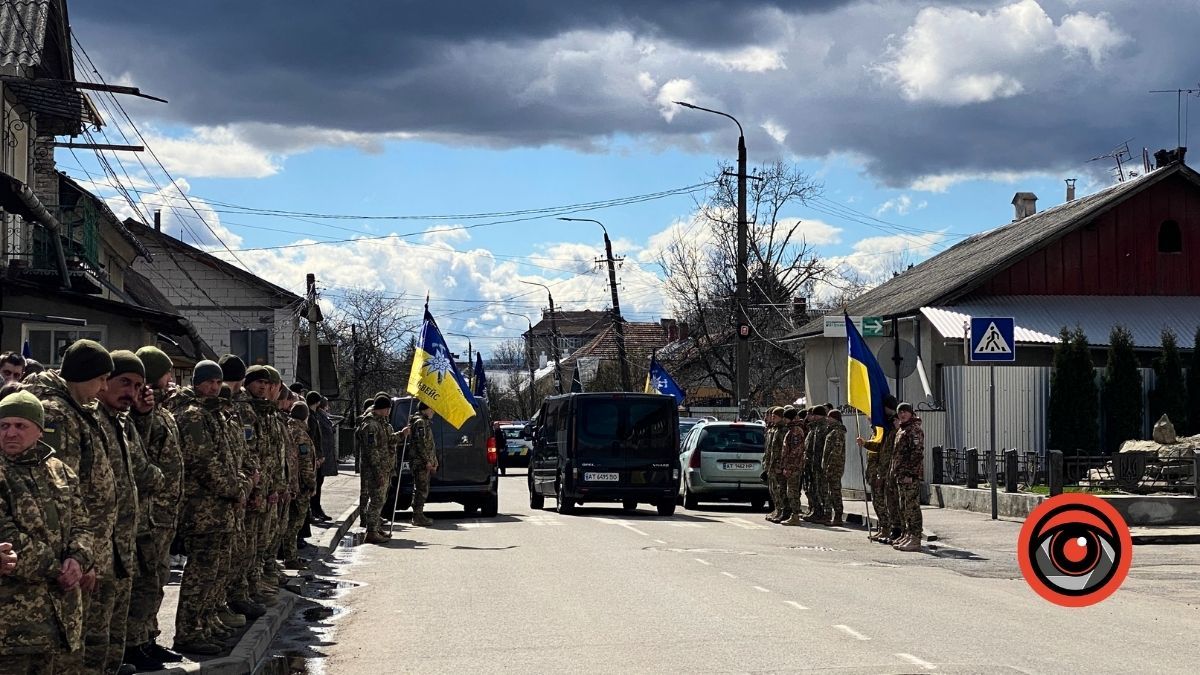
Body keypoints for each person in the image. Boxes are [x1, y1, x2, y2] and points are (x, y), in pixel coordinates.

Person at [24, 339, 116, 672]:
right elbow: (62, 495)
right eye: (100, 379)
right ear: (81, 375)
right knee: (69, 647)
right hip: (71, 559)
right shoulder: (58, 414)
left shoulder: (78, 409)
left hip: (87, 548)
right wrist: (80, 558)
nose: (104, 387)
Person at [0, 391, 94, 674]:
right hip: (14, 627)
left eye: (20, 425)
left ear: (39, 430)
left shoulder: (60, 472)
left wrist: (78, 559)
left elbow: (83, 523)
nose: (10, 433)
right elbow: (7, 537)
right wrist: (58, 569)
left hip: (64, 621)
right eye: (4, 425)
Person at [93, 350, 165, 674]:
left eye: (137, 385)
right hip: (99, 545)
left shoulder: (121, 423)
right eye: (125, 382)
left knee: (114, 621)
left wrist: (144, 415)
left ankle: (118, 661)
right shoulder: (92, 422)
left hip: (126, 540)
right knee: (95, 629)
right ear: (103, 380)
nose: (131, 392)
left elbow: (139, 462)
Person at [172, 361, 248, 655]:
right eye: (210, 382)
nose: (215, 387)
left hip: (221, 507)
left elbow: (229, 458)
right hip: (202, 508)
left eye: (219, 382)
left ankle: (205, 623)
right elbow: (205, 463)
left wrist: (239, 482)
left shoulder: (213, 414)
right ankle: (188, 632)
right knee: (200, 573)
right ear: (197, 382)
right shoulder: (193, 417)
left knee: (216, 570)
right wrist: (236, 487)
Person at [125, 347, 186, 668]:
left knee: (157, 578)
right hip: (147, 513)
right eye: (167, 372)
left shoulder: (161, 410)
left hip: (164, 513)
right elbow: (140, 456)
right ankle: (134, 644)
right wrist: (142, 414)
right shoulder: (137, 413)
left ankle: (148, 637)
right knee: (145, 581)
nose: (172, 378)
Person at [357, 395, 400, 543]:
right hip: (376, 470)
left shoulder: (381, 423)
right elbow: (372, 451)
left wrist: (402, 434)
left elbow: (388, 440)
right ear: (383, 408)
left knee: (381, 499)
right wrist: (378, 472)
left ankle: (375, 527)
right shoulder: (371, 425)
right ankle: (371, 532)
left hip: (384, 467)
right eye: (388, 408)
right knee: (376, 500)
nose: (389, 411)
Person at [857, 395, 899, 544]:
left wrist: (882, 474)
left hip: (886, 473)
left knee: (887, 503)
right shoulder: (882, 430)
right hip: (878, 472)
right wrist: (866, 444)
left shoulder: (890, 429)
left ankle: (891, 529)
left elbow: (888, 453)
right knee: (878, 502)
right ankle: (884, 528)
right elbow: (880, 448)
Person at [281, 402, 317, 567]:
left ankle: (290, 555)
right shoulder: (300, 434)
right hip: (300, 485)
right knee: (295, 523)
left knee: (288, 522)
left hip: (289, 483)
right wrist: (311, 483)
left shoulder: (287, 429)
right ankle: (290, 557)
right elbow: (305, 463)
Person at [891, 402, 925, 552]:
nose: (902, 415)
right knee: (903, 506)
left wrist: (910, 474)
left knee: (912, 506)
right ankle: (907, 533)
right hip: (901, 475)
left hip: (910, 476)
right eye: (900, 412)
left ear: (911, 413)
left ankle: (915, 537)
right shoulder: (901, 430)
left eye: (905, 412)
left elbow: (916, 454)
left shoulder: (914, 430)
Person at [405, 402, 439, 527]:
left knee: (422, 488)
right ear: (425, 409)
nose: (433, 412)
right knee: (421, 489)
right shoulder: (420, 422)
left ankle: (418, 515)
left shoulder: (424, 422)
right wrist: (427, 461)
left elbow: (429, 445)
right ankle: (417, 516)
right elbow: (421, 444)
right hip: (420, 463)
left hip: (424, 461)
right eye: (431, 409)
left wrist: (434, 460)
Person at [802, 406, 831, 524]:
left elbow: (824, 448)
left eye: (813, 415)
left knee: (823, 490)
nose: (810, 417)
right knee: (814, 489)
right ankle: (817, 511)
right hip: (813, 464)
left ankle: (826, 513)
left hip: (820, 464)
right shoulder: (814, 428)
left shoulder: (824, 428)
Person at [779, 408, 807, 526]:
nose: (784, 420)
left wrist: (789, 467)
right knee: (791, 491)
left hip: (794, 468)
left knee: (792, 492)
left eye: (785, 418)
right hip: (791, 466)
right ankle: (794, 514)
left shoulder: (795, 431)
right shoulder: (791, 429)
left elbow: (795, 451)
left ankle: (795, 515)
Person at [311, 396, 337, 521]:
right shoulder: (316, 417)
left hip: (321, 456)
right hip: (317, 457)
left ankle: (317, 509)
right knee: (315, 485)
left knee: (319, 484)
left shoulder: (319, 416)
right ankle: (315, 510)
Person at [823, 409, 847, 526]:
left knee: (835, 492)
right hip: (830, 466)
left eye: (830, 417)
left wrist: (830, 466)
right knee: (831, 492)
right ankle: (832, 515)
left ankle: (838, 516)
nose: (827, 419)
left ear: (835, 419)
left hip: (835, 467)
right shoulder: (831, 431)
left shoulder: (837, 432)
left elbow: (836, 451)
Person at [761, 407, 784, 522]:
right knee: (773, 489)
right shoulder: (773, 429)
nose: (770, 418)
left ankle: (781, 511)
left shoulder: (782, 430)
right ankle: (777, 510)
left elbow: (782, 450)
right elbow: (769, 448)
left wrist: (779, 465)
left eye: (774, 416)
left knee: (779, 489)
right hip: (771, 464)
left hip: (777, 464)